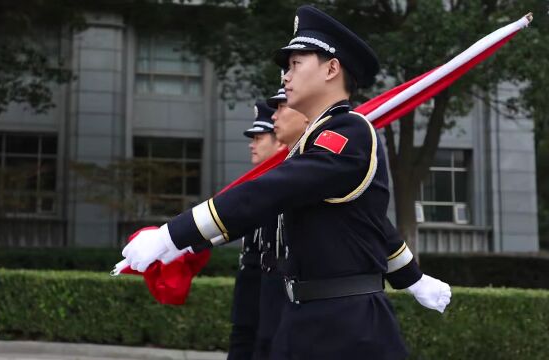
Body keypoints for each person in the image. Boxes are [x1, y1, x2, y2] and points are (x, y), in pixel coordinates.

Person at [122, 5, 451, 358]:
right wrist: (181, 245)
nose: (285, 77)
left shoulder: (348, 131)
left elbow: (272, 190)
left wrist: (175, 232)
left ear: (331, 68)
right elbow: (366, 224)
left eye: (295, 64)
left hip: (345, 327)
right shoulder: (313, 142)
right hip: (306, 319)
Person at [228, 102, 284, 360]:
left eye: (259, 137)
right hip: (251, 287)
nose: (252, 144)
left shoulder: (287, 184)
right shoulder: (256, 182)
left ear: (279, 141)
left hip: (271, 288)